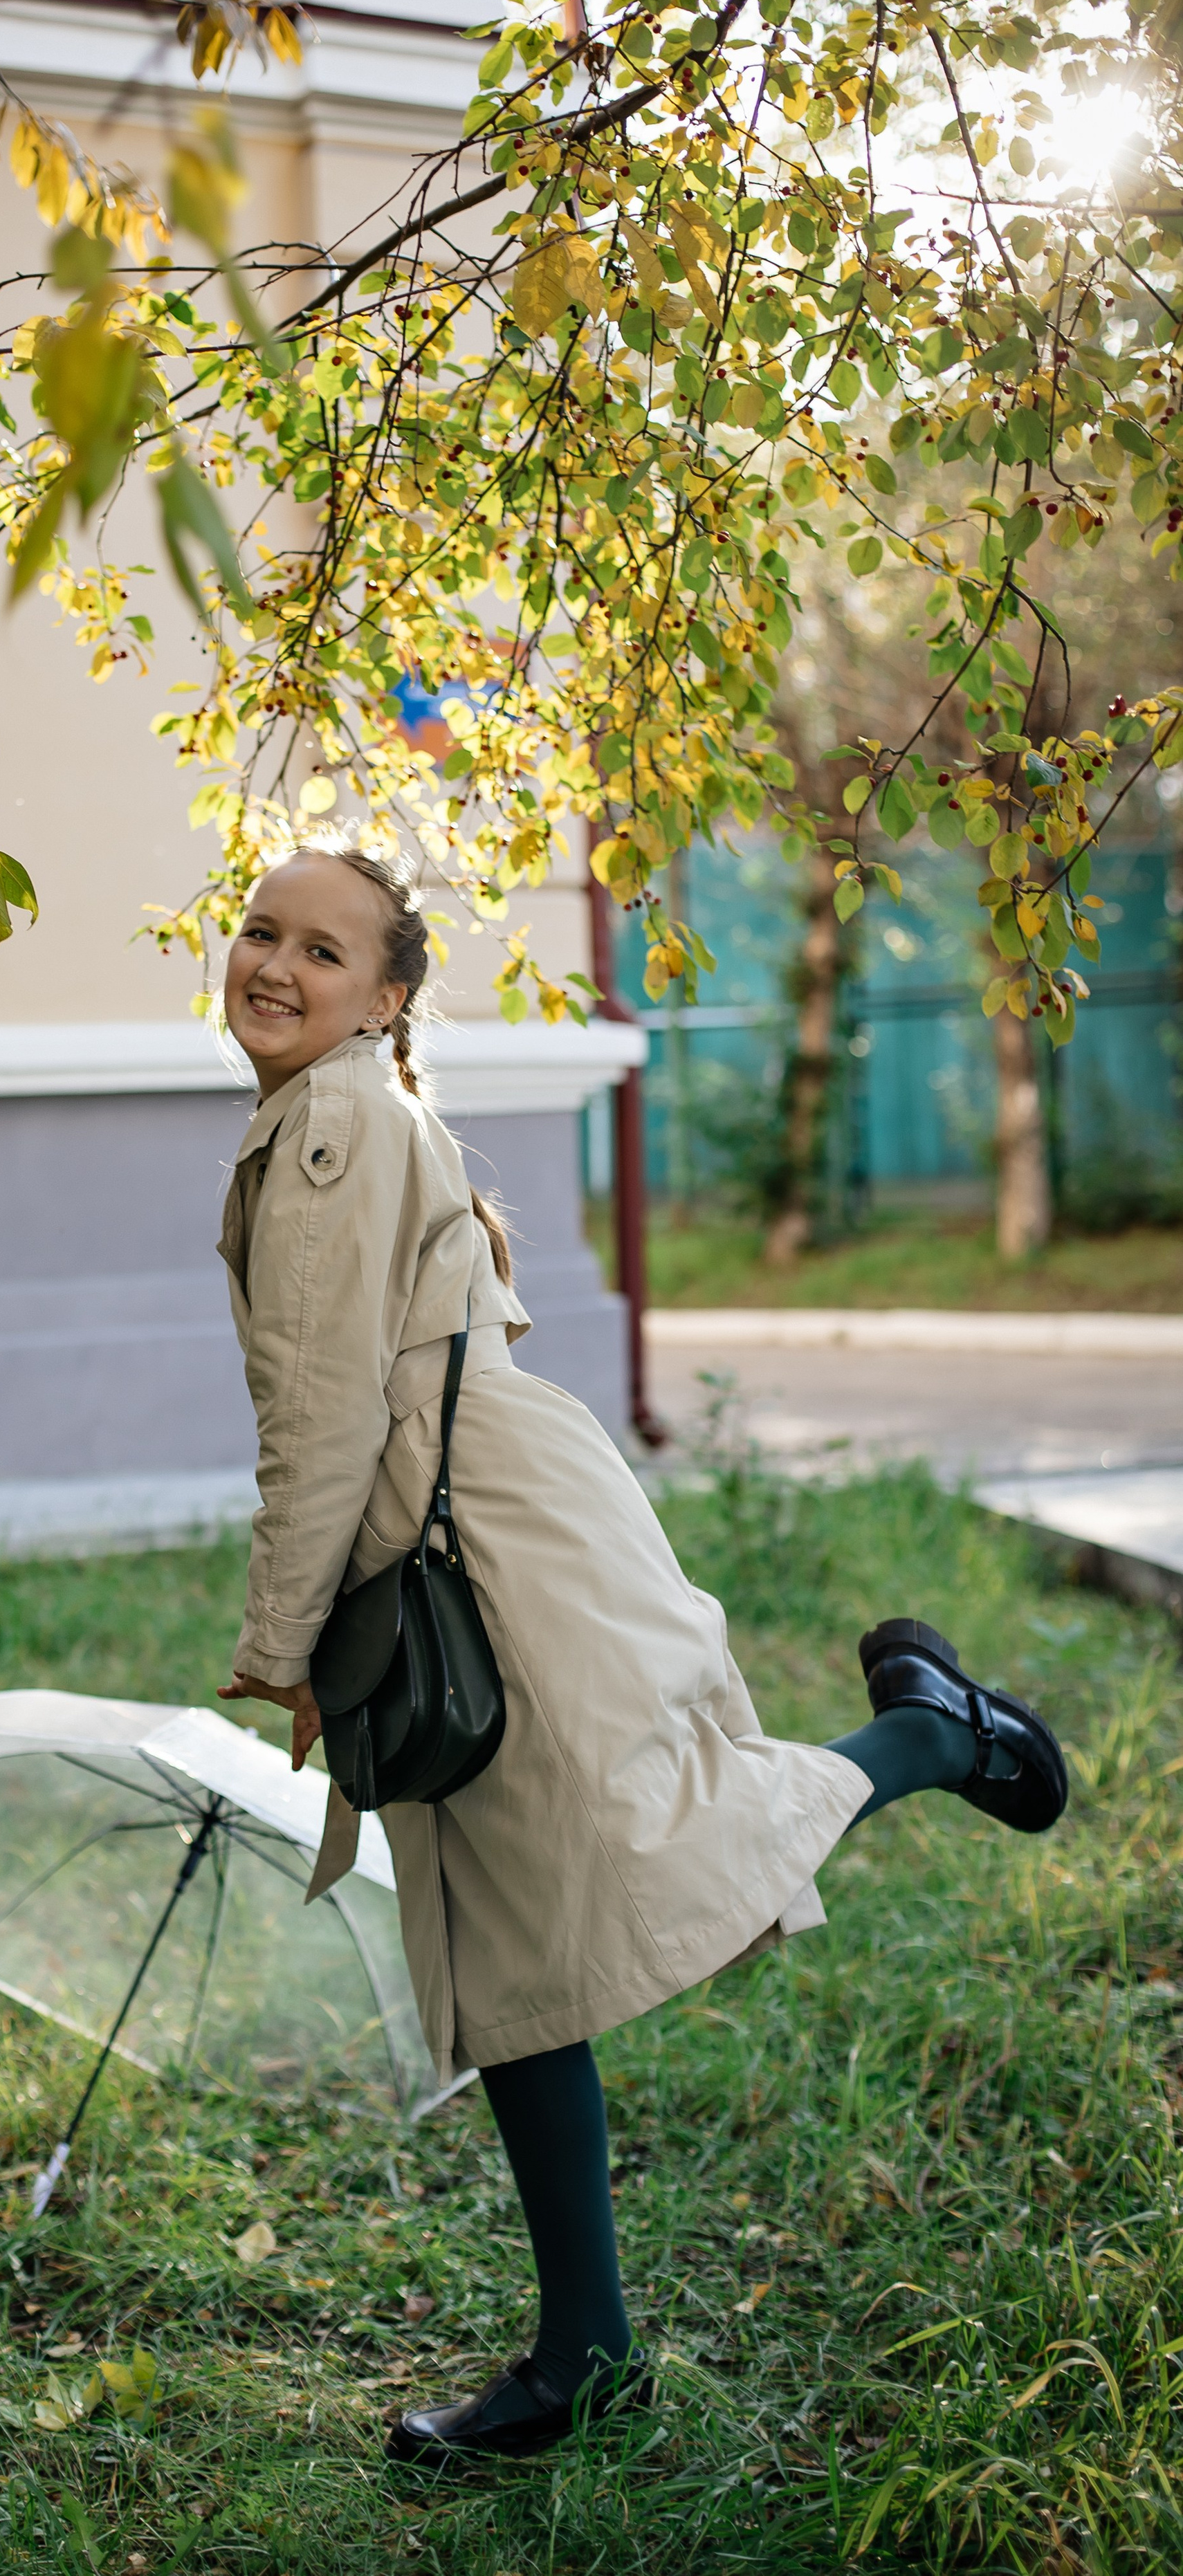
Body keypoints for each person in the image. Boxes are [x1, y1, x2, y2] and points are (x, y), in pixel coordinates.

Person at [215, 838, 1068, 2466]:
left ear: (385, 999)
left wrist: (282, 1643)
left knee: (639, 1848)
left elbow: (319, 1418)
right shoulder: (327, 1115)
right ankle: (584, 2356)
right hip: (467, 1524)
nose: (274, 965)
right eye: (258, 931)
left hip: (479, 1549)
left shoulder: (331, 1121)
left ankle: (933, 1739)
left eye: (322, 952)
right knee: (513, 1939)